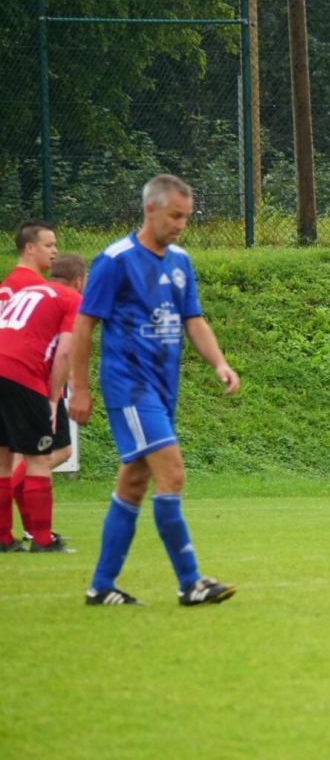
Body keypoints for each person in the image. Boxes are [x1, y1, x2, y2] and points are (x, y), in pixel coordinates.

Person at [68, 174, 241, 606]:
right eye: (175, 215)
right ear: (150, 209)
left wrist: (219, 362)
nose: (182, 224)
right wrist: (79, 389)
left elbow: (194, 321)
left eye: (187, 216)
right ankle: (191, 583)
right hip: (130, 387)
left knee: (133, 483)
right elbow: (84, 325)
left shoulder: (180, 261)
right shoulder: (116, 260)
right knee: (172, 473)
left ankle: (101, 587)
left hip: (163, 389)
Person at [0, 253, 87, 552]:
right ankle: (41, 540)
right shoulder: (70, 298)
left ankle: (3, 538)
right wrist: (53, 399)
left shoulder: (26, 292)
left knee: (3, 459)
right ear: (79, 281)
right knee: (38, 458)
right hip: (23, 375)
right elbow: (65, 352)